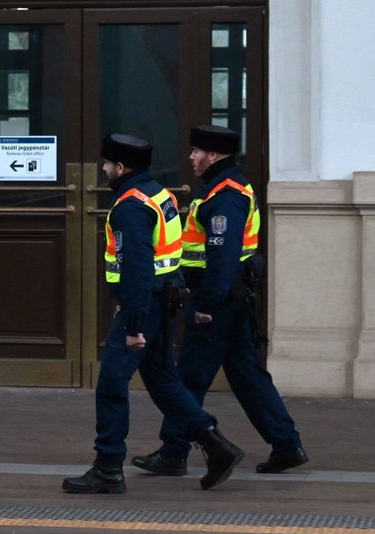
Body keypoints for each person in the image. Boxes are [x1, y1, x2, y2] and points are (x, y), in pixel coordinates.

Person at [62, 133, 244, 494]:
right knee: (163, 381)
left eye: (107, 164)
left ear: (121, 167)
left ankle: (109, 466)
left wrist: (132, 323)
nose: (103, 169)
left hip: (144, 304)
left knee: (112, 383)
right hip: (165, 301)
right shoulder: (159, 194)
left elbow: (136, 269)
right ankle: (214, 444)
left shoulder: (130, 206)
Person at [133, 125, 308, 477]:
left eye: (196, 151)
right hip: (231, 298)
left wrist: (205, 306)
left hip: (218, 300)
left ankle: (173, 451)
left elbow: (223, 259)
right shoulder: (225, 188)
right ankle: (286, 444)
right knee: (247, 375)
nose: (191, 157)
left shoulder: (225, 195)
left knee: (189, 377)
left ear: (213, 155)